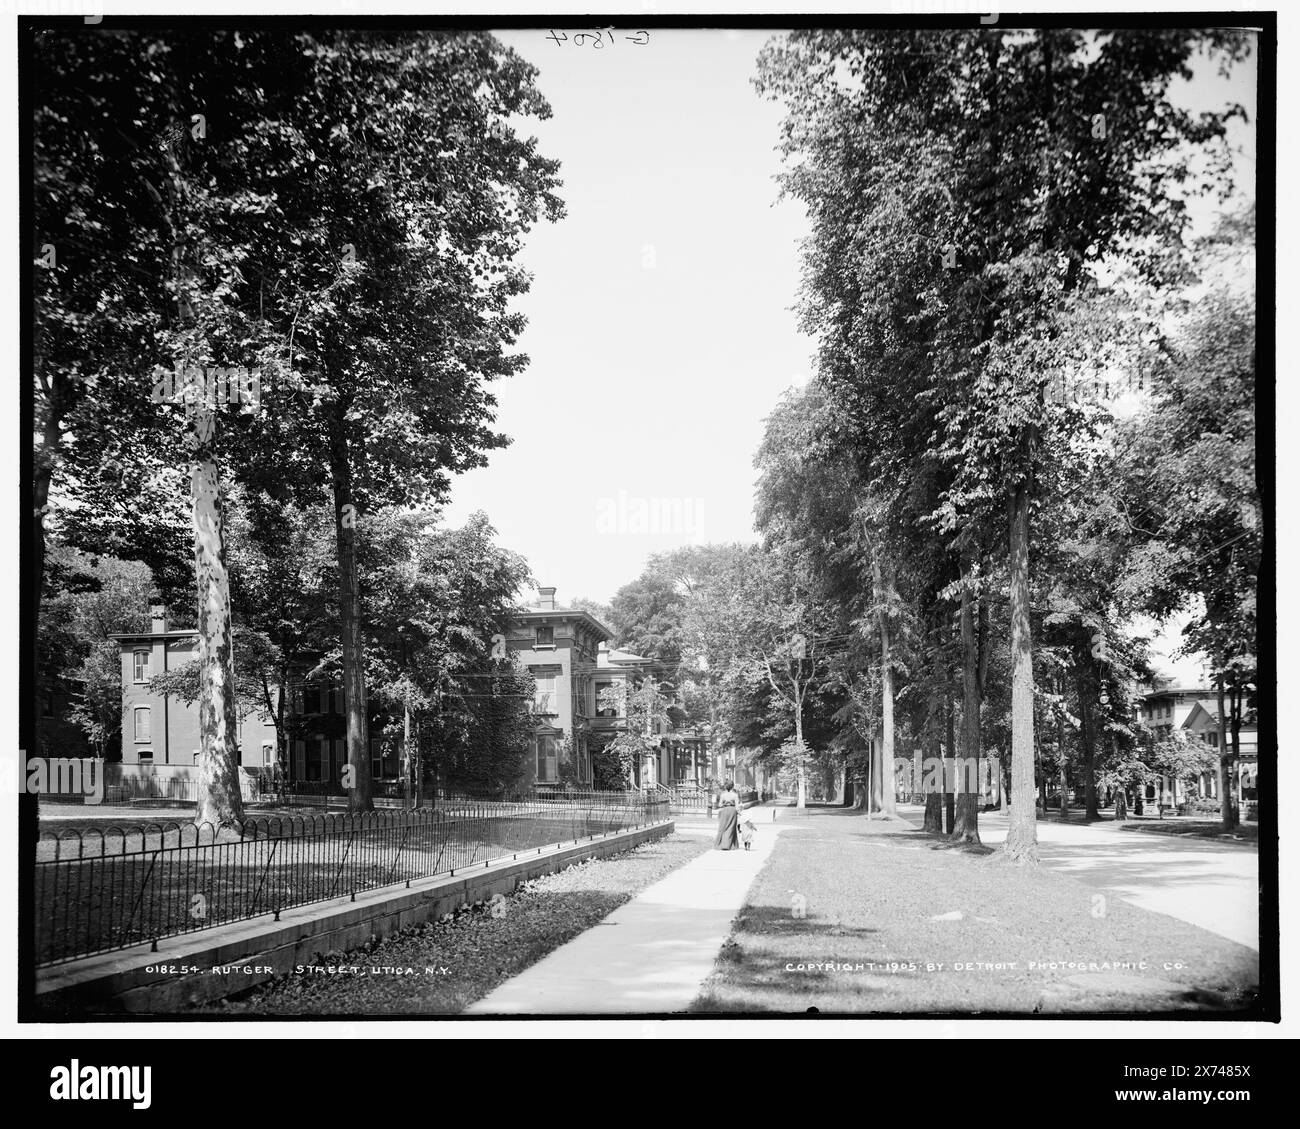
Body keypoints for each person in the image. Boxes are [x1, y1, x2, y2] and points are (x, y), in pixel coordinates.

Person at [714, 778, 740, 850]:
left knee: (723, 827)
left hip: (724, 811)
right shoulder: (735, 795)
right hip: (732, 811)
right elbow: (737, 807)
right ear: (732, 786)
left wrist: (724, 804)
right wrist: (739, 812)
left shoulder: (723, 795)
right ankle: (729, 845)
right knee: (731, 827)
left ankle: (722, 844)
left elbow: (719, 805)